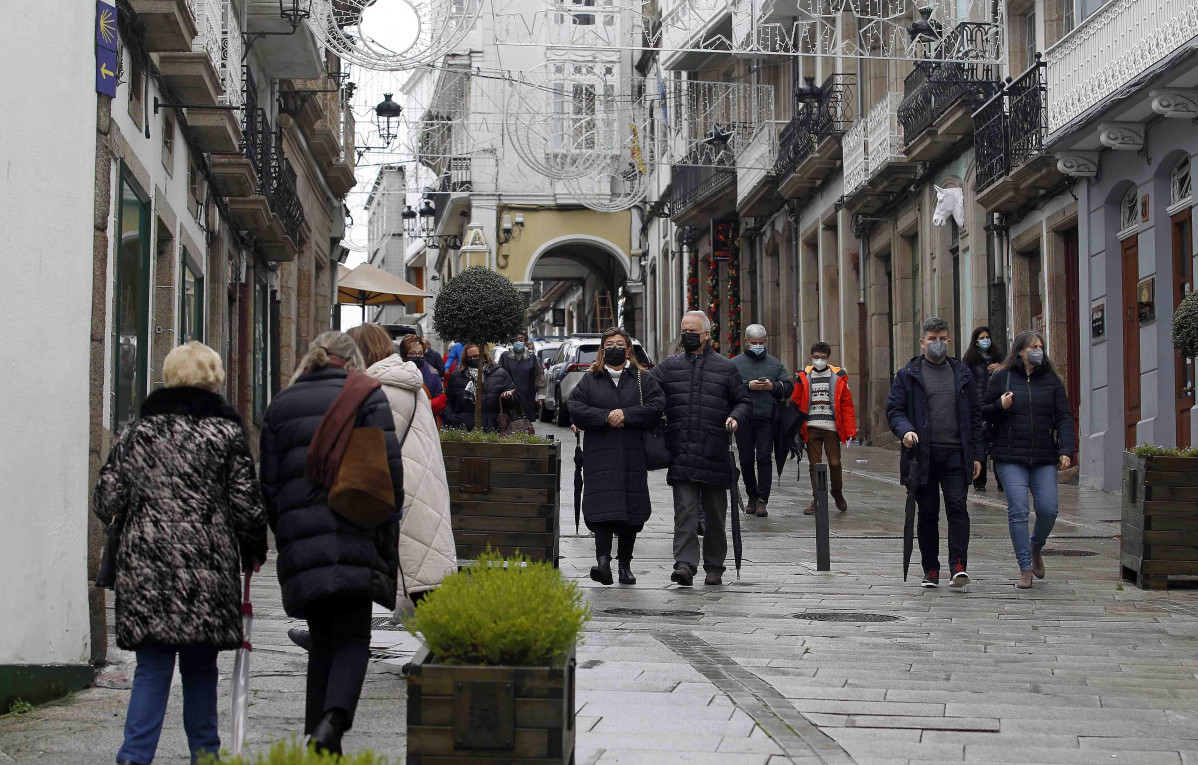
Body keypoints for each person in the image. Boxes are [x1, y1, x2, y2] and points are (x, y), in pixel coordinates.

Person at [94, 342, 268, 765]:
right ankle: (205, 758)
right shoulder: (226, 434)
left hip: (146, 569)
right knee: (200, 670)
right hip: (206, 572)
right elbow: (246, 504)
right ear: (214, 379)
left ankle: (134, 757)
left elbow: (106, 500)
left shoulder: (138, 433)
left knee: (151, 669)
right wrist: (254, 549)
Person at [259, 331, 404, 755]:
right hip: (355, 530)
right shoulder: (367, 395)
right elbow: (388, 471)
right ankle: (333, 723)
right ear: (351, 360)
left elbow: (268, 484)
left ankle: (320, 739)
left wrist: (285, 529)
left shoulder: (281, 404)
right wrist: (386, 524)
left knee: (322, 640)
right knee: (354, 639)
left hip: (302, 540)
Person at [650, 311, 751, 587]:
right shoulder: (670, 366)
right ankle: (684, 564)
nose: (687, 335)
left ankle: (715, 566)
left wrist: (735, 417)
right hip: (681, 449)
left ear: (707, 334)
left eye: (692, 330)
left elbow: (742, 401)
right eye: (684, 330)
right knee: (684, 510)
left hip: (714, 450)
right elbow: (645, 385)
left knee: (716, 514)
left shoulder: (725, 368)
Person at [886, 317, 984, 591]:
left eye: (942, 338)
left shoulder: (962, 373)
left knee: (957, 508)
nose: (937, 343)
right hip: (922, 455)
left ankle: (959, 566)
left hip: (956, 453)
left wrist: (977, 455)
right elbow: (895, 410)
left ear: (949, 340)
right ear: (922, 342)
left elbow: (974, 417)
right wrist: (906, 431)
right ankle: (931, 569)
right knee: (928, 513)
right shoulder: (908, 375)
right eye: (932, 338)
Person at [568, 327, 666, 586]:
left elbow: (657, 405)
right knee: (601, 510)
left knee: (629, 513)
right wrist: (604, 417)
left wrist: (627, 414)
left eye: (619, 343)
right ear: (602, 350)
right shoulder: (590, 379)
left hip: (632, 455)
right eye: (609, 344)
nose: (614, 347)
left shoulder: (641, 379)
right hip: (599, 456)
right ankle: (603, 563)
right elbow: (575, 407)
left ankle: (625, 565)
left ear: (628, 349)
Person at [981, 330, 1074, 590]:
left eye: (1041, 346)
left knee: (1048, 509)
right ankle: (1025, 568)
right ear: (1020, 351)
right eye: (1033, 346)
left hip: (1044, 455)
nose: (1038, 350)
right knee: (1019, 510)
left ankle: (1036, 548)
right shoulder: (1003, 377)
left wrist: (1066, 448)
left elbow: (1064, 417)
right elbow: (983, 411)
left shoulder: (1052, 381)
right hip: (1009, 456)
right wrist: (1000, 405)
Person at [730, 324, 792, 517]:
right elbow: (728, 386)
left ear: (765, 342)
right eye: (754, 343)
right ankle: (752, 495)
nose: (757, 346)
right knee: (746, 460)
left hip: (766, 418)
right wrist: (747, 385)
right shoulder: (734, 364)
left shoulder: (775, 364)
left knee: (764, 457)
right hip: (744, 418)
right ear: (746, 342)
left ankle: (763, 500)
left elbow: (788, 386)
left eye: (761, 343)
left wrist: (772, 387)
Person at [791, 341, 857, 515]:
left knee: (835, 462)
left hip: (831, 427)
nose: (818, 360)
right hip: (811, 427)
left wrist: (850, 431)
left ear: (828, 358)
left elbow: (846, 405)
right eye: (815, 357)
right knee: (815, 464)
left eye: (822, 358)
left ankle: (837, 492)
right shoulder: (804, 377)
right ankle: (818, 499)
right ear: (811, 357)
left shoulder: (838, 377)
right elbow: (796, 403)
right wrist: (794, 427)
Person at [962, 326, 1005, 492]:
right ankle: (980, 481)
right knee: (980, 441)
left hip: (997, 403)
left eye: (987, 337)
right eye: (981, 338)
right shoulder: (970, 359)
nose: (985, 340)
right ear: (976, 341)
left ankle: (1002, 481)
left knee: (997, 442)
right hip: (979, 405)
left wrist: (1000, 367)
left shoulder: (998, 358)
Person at [444, 343, 517, 430]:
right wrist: (451, 420)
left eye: (476, 356)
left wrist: (508, 397)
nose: (473, 360)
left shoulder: (500, 374)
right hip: (465, 430)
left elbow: (514, 403)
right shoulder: (457, 376)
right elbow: (448, 401)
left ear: (484, 355)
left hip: (493, 429)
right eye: (469, 358)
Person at [499, 331, 544, 425]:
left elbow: (539, 376)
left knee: (526, 424)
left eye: (521, 339)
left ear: (525, 341)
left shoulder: (532, 358)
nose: (518, 341)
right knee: (509, 421)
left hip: (528, 394)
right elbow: (499, 375)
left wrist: (540, 394)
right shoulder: (505, 357)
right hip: (509, 395)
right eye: (516, 339)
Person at [403, 335, 447, 425]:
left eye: (420, 353)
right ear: (405, 354)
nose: (417, 356)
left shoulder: (432, 372)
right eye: (412, 353)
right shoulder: (398, 371)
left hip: (426, 421)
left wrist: (429, 404)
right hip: (405, 420)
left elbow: (441, 397)